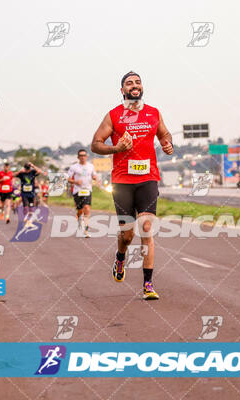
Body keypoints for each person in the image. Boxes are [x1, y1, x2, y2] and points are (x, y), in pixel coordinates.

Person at [90, 71, 174, 300]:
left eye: (137, 82)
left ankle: (148, 284)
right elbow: (95, 144)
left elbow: (165, 134)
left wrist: (167, 144)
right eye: (129, 83)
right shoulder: (114, 115)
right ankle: (120, 257)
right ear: (122, 90)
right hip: (122, 181)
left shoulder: (153, 113)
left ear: (142, 87)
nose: (134, 85)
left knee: (147, 229)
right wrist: (116, 149)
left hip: (148, 178)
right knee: (127, 235)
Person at [67, 149, 98, 238]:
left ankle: (86, 230)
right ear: (78, 157)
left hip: (87, 190)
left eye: (84, 155)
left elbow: (94, 175)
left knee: (87, 208)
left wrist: (95, 177)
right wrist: (75, 182)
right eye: (81, 155)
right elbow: (67, 178)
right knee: (80, 210)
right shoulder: (74, 167)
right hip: (77, 191)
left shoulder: (91, 166)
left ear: (87, 156)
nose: (82, 157)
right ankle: (79, 218)